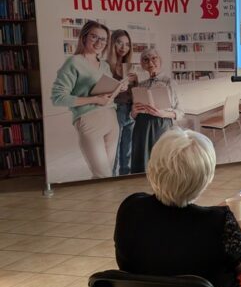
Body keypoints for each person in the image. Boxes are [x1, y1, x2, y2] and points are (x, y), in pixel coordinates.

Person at [114, 129, 241, 287]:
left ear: (153, 166)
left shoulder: (130, 209)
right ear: (205, 177)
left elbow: (126, 262)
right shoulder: (219, 222)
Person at [51, 21, 123, 179]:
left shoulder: (104, 65)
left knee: (106, 172)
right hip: (89, 120)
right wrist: (95, 99)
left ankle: (102, 203)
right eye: (94, 37)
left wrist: (117, 90)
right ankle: (106, 202)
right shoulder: (74, 62)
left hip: (111, 119)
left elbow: (105, 95)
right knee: (102, 173)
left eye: (103, 39)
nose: (99, 42)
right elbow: (58, 98)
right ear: (84, 37)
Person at [130, 49, 183, 174]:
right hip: (141, 127)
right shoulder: (140, 85)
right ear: (142, 64)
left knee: (161, 160)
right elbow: (132, 115)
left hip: (162, 124)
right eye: (146, 60)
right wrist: (134, 112)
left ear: (160, 60)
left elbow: (180, 112)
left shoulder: (170, 82)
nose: (150, 62)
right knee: (141, 161)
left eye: (154, 58)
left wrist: (162, 114)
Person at [106, 29, 138, 176]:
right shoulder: (106, 66)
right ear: (112, 43)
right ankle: (111, 176)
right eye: (119, 42)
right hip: (115, 109)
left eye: (127, 44)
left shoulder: (130, 67)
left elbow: (135, 91)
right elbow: (102, 93)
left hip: (130, 109)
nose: (123, 47)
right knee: (114, 146)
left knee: (128, 147)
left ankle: (125, 176)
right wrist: (118, 87)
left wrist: (136, 81)